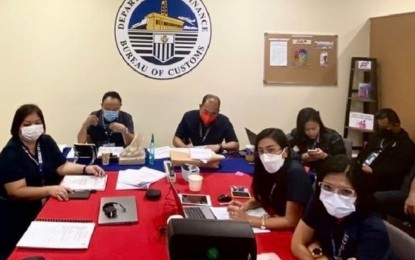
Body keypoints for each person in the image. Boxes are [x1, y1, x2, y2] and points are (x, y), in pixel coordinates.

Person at [0, 104, 106, 258]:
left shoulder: (45, 141)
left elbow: (61, 166)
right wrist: (50, 190)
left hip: (45, 203)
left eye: (37, 122)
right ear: (17, 127)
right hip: (19, 215)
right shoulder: (10, 153)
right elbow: (16, 191)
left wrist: (85, 169)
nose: (33, 127)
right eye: (27, 124)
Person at [291, 155, 391, 260]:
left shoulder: (373, 228)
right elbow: (297, 244)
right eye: (327, 187)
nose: (334, 197)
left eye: (346, 192)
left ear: (359, 193)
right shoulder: (318, 202)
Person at [227, 128, 312, 230]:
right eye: (261, 151)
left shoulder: (295, 173)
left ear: (285, 151)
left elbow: (291, 221)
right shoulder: (266, 167)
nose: (265, 156)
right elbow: (266, 197)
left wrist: (248, 219)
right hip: (274, 215)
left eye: (271, 150)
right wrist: (246, 206)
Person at [356, 108, 415, 192]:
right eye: (381, 127)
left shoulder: (406, 145)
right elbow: (366, 151)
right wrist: (360, 162)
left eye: (387, 127)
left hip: (382, 179)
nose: (384, 130)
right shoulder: (379, 136)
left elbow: (397, 168)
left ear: (397, 124)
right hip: (364, 170)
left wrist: (374, 171)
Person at [289, 107, 346, 175]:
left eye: (314, 128)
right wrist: (301, 156)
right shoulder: (297, 134)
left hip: (327, 172)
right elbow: (284, 150)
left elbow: (343, 161)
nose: (311, 132)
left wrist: (325, 156)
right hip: (303, 171)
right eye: (307, 130)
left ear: (319, 125)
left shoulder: (333, 137)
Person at [173, 94, 239, 152]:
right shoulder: (189, 116)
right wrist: (186, 149)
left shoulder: (224, 121)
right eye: (205, 112)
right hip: (191, 155)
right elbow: (176, 139)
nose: (208, 117)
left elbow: (235, 144)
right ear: (200, 106)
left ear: (218, 112)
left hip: (213, 157)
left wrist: (220, 146)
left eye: (213, 114)